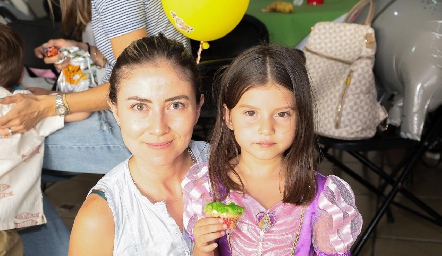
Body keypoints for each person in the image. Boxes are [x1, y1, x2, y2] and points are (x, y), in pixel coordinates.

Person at [182, 45, 363, 255]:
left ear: (300, 118)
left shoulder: (322, 197)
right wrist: (202, 247)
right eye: (251, 113)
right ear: (228, 117)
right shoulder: (207, 187)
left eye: (282, 114)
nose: (266, 129)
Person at [0, 0, 191, 174]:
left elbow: (136, 85)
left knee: (11, 145)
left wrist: (48, 105)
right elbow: (131, 63)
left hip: (148, 126)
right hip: (145, 110)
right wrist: (83, 50)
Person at [68, 34, 209, 255]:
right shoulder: (99, 218)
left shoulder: (232, 168)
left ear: (198, 107)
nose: (158, 128)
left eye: (176, 105)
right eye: (140, 107)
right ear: (115, 110)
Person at [0, 23, 87, 256]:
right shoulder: (26, 106)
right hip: (6, 222)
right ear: (20, 73)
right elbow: (82, 109)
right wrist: (68, 65)